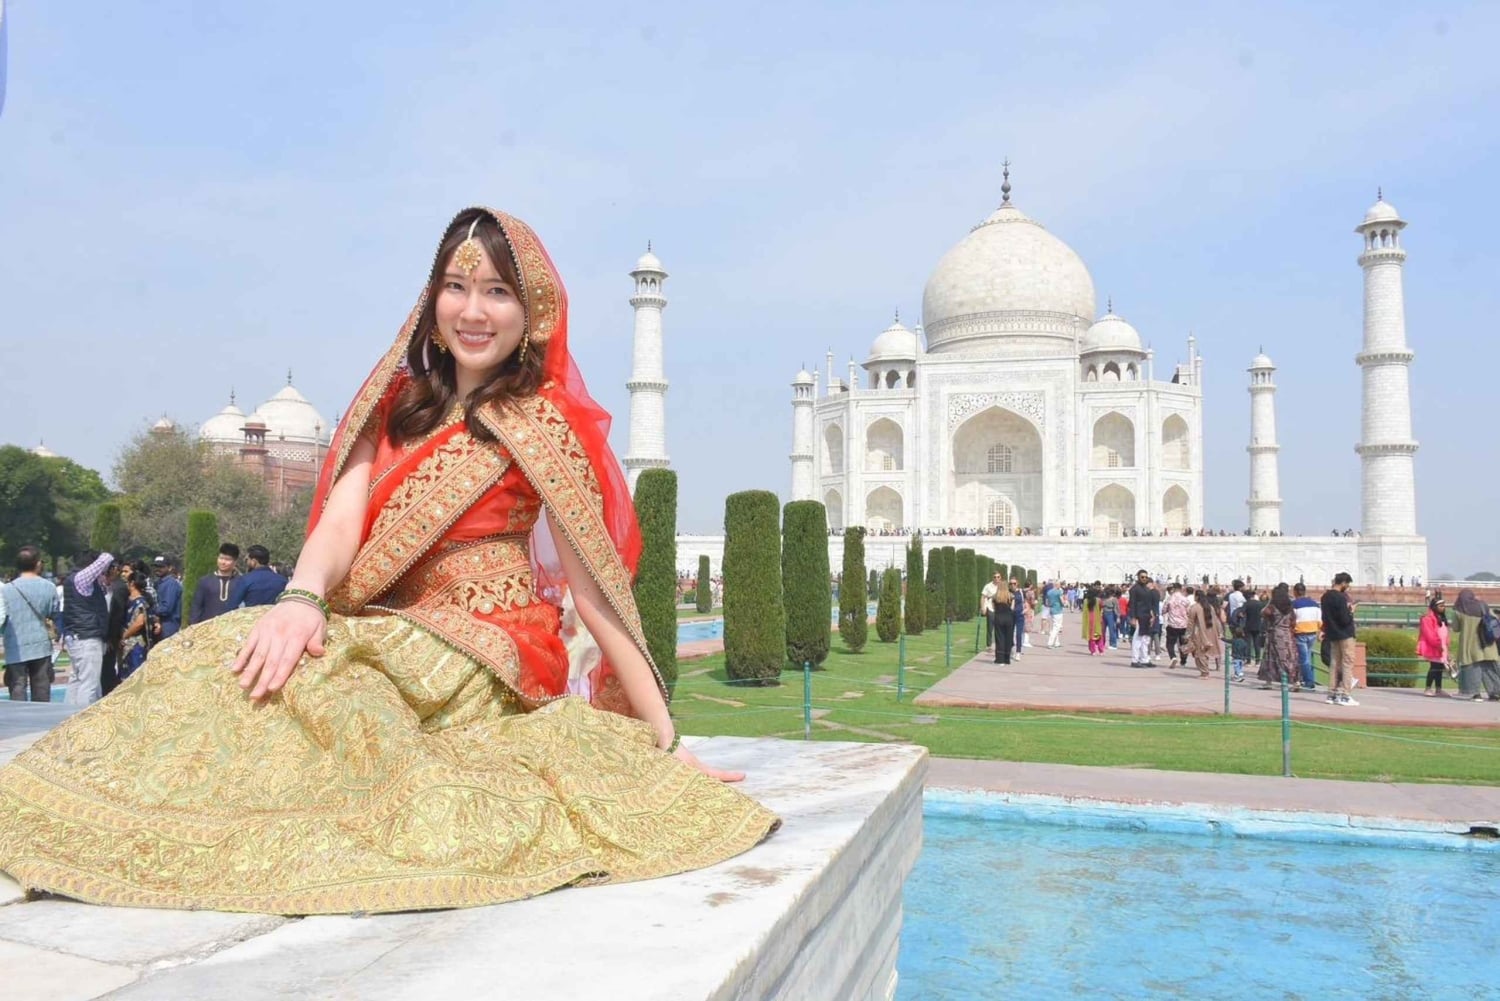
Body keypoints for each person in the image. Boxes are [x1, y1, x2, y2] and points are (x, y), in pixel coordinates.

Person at [0, 207, 776, 913]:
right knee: (207, 658)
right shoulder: (396, 405)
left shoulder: (541, 424)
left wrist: (666, 738)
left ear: (530, 313)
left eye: (498, 292)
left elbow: (596, 595)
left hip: (487, 646)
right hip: (384, 622)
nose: (474, 310)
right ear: (432, 301)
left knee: (341, 697)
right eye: (457, 287)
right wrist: (301, 597)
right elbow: (341, 523)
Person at [1, 546, 59, 702]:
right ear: (37, 563)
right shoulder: (49, 587)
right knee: (41, 688)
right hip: (41, 644)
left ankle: (18, 717)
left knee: (17, 687)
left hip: (15, 646)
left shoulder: (6, 590)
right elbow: (53, 613)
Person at [60, 550, 114, 705]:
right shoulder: (81, 579)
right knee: (89, 684)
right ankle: (84, 716)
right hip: (87, 637)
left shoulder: (73, 579)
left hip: (77, 636)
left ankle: (68, 713)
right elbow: (106, 558)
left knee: (77, 680)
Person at [1451, 588, 1500, 702]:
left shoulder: (1459, 611)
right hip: (1488, 644)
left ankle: (1475, 694)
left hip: (1470, 644)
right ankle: (1495, 693)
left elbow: (1456, 628)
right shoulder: (1483, 606)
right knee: (1490, 669)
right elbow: (1494, 621)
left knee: (1472, 669)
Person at [1321, 572, 1359, 706]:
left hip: (1332, 633)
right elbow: (1344, 619)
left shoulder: (1325, 597)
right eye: (1347, 585)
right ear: (1343, 583)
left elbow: (1325, 617)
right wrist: (1351, 611)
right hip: (1345, 634)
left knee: (1334, 663)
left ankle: (1331, 694)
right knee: (1347, 663)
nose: (1347, 587)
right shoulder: (1340, 598)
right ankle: (1345, 695)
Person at [1257, 584, 1300, 693]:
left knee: (1271, 658)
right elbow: (1293, 621)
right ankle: (1295, 681)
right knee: (1289, 658)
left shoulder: (1272, 608)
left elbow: (1262, 612)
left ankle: (1269, 681)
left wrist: (1269, 602)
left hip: (1275, 634)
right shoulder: (1289, 608)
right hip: (1287, 635)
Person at [189, 543, 242, 624]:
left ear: (235, 562)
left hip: (232, 626)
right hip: (208, 626)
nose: (223, 562)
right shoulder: (205, 581)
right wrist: (194, 625)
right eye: (221, 558)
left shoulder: (241, 582)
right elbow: (196, 607)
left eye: (227, 560)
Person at [117, 571, 154, 684]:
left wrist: (125, 635)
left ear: (132, 583)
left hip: (135, 644)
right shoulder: (128, 601)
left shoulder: (141, 603)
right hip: (126, 644)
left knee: (135, 676)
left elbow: (139, 623)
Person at [1416, 596, 1451, 697]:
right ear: (1435, 607)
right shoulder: (1427, 619)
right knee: (1434, 667)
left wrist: (1446, 646)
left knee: (1439, 668)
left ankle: (1438, 689)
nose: (1443, 608)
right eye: (1440, 606)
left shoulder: (1442, 618)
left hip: (1442, 646)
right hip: (1434, 647)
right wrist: (1438, 644)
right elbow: (1429, 634)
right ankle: (1428, 688)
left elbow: (1445, 633)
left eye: (1444, 606)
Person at [1291, 581, 1321, 692]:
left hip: (1300, 633)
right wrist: (1319, 631)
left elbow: (1292, 620)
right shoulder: (1314, 604)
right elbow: (1319, 619)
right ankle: (1305, 679)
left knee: (1304, 659)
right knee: (1306, 657)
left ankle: (1309, 681)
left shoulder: (1294, 604)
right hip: (1312, 632)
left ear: (1295, 592)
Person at [1127, 569, 1159, 668]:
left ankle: (1144, 659)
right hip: (1139, 616)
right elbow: (1132, 604)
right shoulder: (1134, 589)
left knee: (1146, 639)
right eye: (1142, 577)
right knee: (1138, 638)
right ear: (1138, 577)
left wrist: (1152, 614)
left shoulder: (1146, 589)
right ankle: (1135, 660)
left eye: (1146, 577)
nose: (1144, 579)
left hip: (1146, 616)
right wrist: (1133, 617)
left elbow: (1149, 603)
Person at [1186, 589, 1222, 678]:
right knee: (1205, 651)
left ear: (1197, 597)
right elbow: (1216, 620)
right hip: (1211, 632)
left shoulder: (1195, 607)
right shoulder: (1210, 607)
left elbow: (1190, 622)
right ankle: (1206, 670)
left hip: (1199, 633)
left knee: (1199, 653)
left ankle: (1204, 672)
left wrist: (1188, 633)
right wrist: (1219, 632)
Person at [152, 556, 183, 640]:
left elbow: (167, 608)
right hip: (161, 624)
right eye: (156, 566)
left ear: (169, 568)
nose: (157, 569)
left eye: (161, 567)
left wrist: (151, 609)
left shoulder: (171, 584)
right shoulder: (159, 583)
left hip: (169, 625)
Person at [1163, 583, 1191, 668]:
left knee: (1170, 643)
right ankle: (1183, 661)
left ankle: (1173, 657)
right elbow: (1189, 612)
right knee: (1183, 643)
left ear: (1173, 589)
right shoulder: (1185, 599)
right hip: (1183, 624)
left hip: (1172, 624)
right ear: (1181, 588)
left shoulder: (1169, 599)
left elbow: (1164, 610)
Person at [991, 578, 1014, 665]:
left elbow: (993, 608)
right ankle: (1007, 659)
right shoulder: (1011, 596)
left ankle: (999, 659)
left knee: (999, 638)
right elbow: (1012, 608)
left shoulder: (995, 596)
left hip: (999, 617)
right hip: (1008, 618)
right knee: (1008, 638)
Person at [1080, 585, 1106, 655]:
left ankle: (1093, 651)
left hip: (1089, 621)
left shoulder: (1085, 601)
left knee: (1091, 636)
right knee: (1099, 635)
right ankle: (1101, 650)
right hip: (1097, 619)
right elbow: (1103, 606)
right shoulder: (1098, 600)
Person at [980, 571, 1001, 650]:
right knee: (990, 628)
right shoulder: (988, 586)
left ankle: (999, 644)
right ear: (993, 578)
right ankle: (989, 645)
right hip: (990, 608)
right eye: (995, 577)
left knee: (999, 628)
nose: (996, 578)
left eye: (998, 577)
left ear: (1000, 577)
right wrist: (983, 607)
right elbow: (983, 597)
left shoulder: (1002, 586)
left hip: (1000, 609)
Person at [1043, 580, 1065, 649]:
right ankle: (1050, 643)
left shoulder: (1049, 592)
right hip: (1058, 610)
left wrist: (1051, 605)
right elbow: (1062, 601)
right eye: (1059, 584)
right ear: (1057, 585)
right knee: (1056, 627)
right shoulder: (1059, 592)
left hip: (1052, 610)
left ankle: (1057, 643)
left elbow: (1047, 602)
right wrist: (1064, 604)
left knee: (1055, 626)